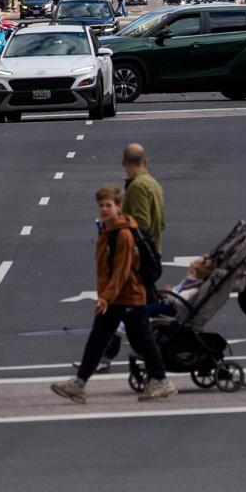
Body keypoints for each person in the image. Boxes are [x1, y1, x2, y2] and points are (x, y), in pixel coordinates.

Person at [51, 185, 175, 403]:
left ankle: (163, 382)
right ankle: (79, 383)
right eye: (101, 205)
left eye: (108, 205)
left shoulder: (123, 234)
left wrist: (105, 297)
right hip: (115, 297)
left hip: (128, 296)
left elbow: (121, 270)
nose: (104, 209)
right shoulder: (108, 230)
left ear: (119, 206)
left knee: (143, 340)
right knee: (98, 339)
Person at [101, 143, 166, 368]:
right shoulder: (154, 184)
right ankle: (105, 356)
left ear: (123, 163)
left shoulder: (138, 187)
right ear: (145, 161)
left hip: (138, 260)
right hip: (152, 253)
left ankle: (107, 357)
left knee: (125, 309)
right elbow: (161, 222)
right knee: (133, 311)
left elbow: (141, 225)